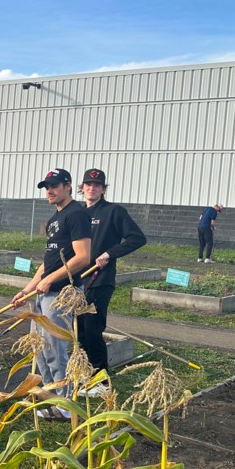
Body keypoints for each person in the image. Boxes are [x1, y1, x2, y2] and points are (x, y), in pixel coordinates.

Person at [10, 168, 91, 420]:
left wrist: (50, 281)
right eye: (46, 186)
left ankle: (66, 406)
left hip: (61, 293)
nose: (50, 190)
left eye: (55, 185)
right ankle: (51, 397)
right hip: (45, 293)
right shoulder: (56, 218)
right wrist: (27, 290)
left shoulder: (76, 214)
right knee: (40, 347)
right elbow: (47, 264)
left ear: (68, 186)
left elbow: (83, 257)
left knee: (56, 348)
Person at [76, 168, 146, 397]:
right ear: (82, 187)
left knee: (93, 330)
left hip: (99, 280)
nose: (92, 188)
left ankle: (102, 383)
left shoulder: (113, 212)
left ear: (103, 189)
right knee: (79, 332)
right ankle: (86, 376)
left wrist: (110, 253)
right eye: (88, 184)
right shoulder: (76, 213)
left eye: (97, 185)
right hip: (77, 281)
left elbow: (137, 238)